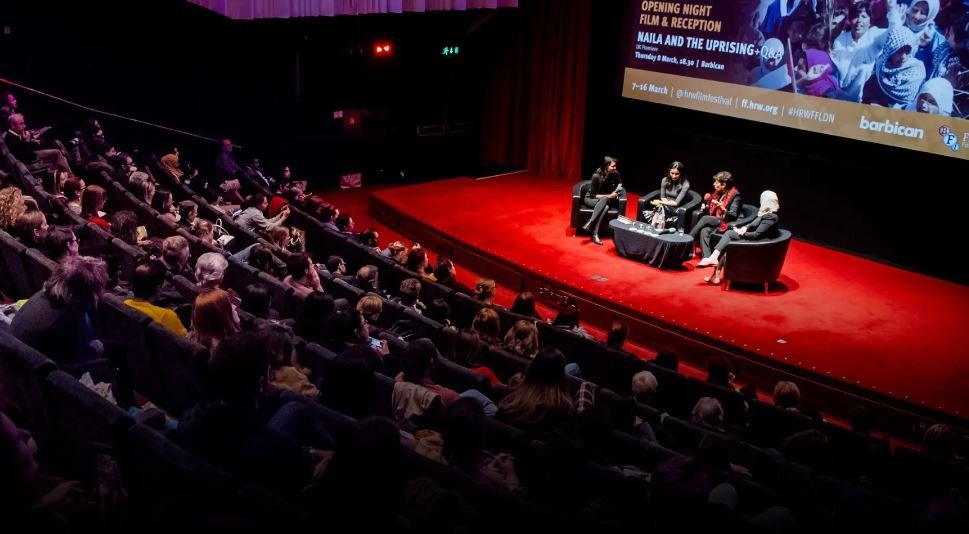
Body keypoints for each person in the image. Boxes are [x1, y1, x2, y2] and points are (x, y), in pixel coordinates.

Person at [10, 256, 109, 367]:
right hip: (47, 373)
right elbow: (78, 357)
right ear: (87, 290)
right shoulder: (69, 316)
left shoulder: (44, 295)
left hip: (20, 367)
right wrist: (98, 347)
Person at [698, 190, 781, 284]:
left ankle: (714, 265)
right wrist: (744, 227)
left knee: (729, 236)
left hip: (759, 244)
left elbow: (756, 235)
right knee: (728, 238)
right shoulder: (766, 213)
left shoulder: (771, 217)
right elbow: (753, 223)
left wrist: (741, 233)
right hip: (755, 240)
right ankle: (715, 269)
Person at [689, 171, 741, 260]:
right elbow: (710, 208)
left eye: (716, 183)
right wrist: (705, 207)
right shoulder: (717, 193)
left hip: (726, 221)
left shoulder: (735, 195)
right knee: (704, 230)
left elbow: (733, 215)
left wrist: (722, 208)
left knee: (705, 219)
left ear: (723, 184)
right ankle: (707, 258)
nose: (714, 184)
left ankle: (687, 242)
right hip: (716, 220)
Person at [579, 156, 623, 245]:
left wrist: (616, 191)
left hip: (605, 200)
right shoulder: (596, 176)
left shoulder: (615, 173)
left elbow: (620, 183)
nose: (615, 168)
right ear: (606, 166)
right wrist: (609, 195)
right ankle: (594, 232)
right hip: (591, 199)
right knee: (605, 202)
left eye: (615, 166)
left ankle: (591, 226)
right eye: (613, 166)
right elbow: (593, 195)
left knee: (606, 204)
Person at [655, 161, 691, 231]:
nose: (674, 176)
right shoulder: (665, 180)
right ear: (669, 171)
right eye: (672, 173)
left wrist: (661, 202)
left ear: (681, 173)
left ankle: (656, 228)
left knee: (660, 207)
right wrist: (663, 202)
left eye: (677, 174)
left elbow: (676, 203)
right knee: (660, 207)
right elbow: (663, 197)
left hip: (676, 208)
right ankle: (656, 228)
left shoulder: (685, 184)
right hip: (665, 204)